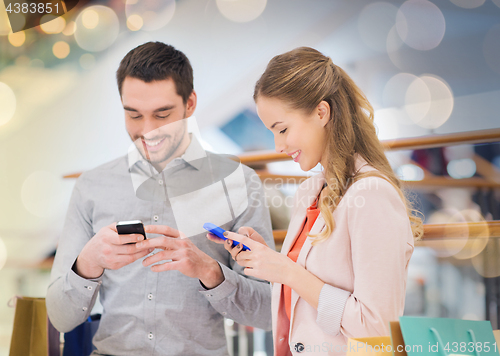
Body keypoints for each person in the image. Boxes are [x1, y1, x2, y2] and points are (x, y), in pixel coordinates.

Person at [46, 42, 274, 355]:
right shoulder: (92, 186)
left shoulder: (238, 183)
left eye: (162, 114)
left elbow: (269, 311)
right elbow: (60, 318)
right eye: (134, 115)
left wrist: (210, 272)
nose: (148, 130)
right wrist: (88, 262)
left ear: (190, 104)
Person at [207, 47, 423, 355]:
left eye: (282, 129)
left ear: (322, 112)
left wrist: (288, 271)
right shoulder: (310, 192)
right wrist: (271, 260)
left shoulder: (371, 194)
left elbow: (378, 329)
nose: (278, 145)